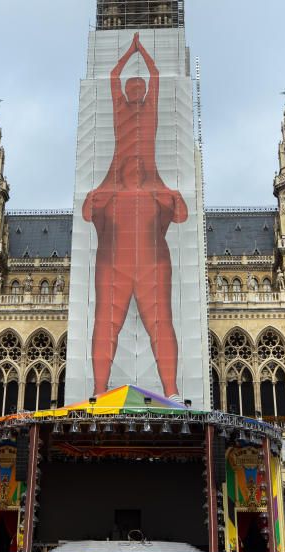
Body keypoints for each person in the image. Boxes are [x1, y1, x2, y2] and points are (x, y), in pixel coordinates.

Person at [83, 32, 188, 397]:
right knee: (105, 323)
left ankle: (172, 393)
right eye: (133, 86)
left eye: (140, 86)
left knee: (161, 323)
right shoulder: (120, 118)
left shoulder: (150, 120)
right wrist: (131, 51)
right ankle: (98, 391)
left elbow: (157, 81)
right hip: (115, 254)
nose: (137, 90)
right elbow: (113, 80)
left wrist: (144, 53)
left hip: (149, 256)